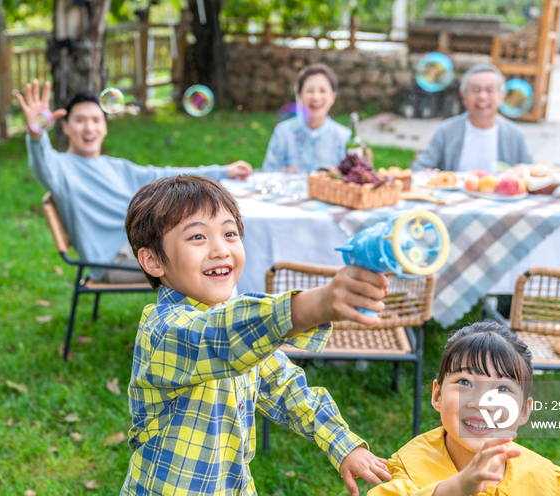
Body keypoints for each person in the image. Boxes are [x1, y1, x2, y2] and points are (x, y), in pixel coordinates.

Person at [120, 174, 392, 496]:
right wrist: (317, 304)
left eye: (230, 233)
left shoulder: (231, 318)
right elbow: (219, 337)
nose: (220, 249)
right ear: (152, 261)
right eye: (197, 238)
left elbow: (285, 385)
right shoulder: (164, 332)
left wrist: (342, 444)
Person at [17, 79, 252, 283]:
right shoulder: (60, 168)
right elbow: (41, 161)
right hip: (112, 258)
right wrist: (36, 134)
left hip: (140, 245)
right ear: (66, 127)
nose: (89, 127)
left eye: (96, 120)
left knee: (220, 252)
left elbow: (164, 177)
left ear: (105, 127)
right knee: (205, 259)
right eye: (80, 120)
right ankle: (212, 325)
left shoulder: (115, 167)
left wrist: (222, 171)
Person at [368, 322, 560, 496]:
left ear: (523, 411)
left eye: (503, 389)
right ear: (438, 395)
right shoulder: (409, 468)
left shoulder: (544, 480)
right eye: (465, 382)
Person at [412, 64, 532, 172]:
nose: (482, 96)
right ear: (463, 97)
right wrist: (427, 174)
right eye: (475, 89)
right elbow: (419, 168)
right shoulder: (446, 131)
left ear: (501, 97)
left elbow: (530, 173)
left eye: (490, 90)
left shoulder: (515, 135)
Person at [262, 63, 359, 173]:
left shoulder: (345, 138)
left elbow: (354, 180)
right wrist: (282, 173)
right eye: (309, 91)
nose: (316, 97)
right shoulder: (282, 131)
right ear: (299, 95)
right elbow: (267, 174)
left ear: (333, 96)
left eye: (322, 90)